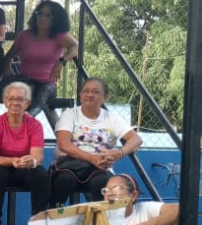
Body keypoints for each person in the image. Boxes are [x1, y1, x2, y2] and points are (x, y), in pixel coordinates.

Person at [49, 78, 142, 206]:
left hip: (100, 168)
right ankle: (52, 218)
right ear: (81, 95)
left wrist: (119, 153)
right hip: (71, 165)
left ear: (105, 97)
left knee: (102, 183)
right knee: (64, 180)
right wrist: (92, 158)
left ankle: (97, 222)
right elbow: (64, 145)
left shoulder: (112, 118)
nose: (89, 95)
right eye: (85, 91)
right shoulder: (70, 115)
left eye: (95, 92)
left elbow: (136, 139)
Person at [0, 81, 49, 225]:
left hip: (25, 169)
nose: (15, 103)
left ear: (27, 103)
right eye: (11, 99)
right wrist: (13, 160)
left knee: (40, 173)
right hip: (4, 168)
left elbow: (38, 156)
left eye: (20, 99)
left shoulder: (35, 125)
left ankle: (38, 223)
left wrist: (31, 161)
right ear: (5, 101)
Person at [2, 0, 78, 116]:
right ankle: (25, 120)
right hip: (27, 81)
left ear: (56, 19)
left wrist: (61, 61)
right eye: (40, 14)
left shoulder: (59, 36)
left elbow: (75, 47)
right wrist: (8, 74)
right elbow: (9, 56)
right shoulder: (25, 35)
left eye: (48, 16)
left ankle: (29, 117)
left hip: (47, 84)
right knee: (26, 90)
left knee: (44, 90)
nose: (42, 18)